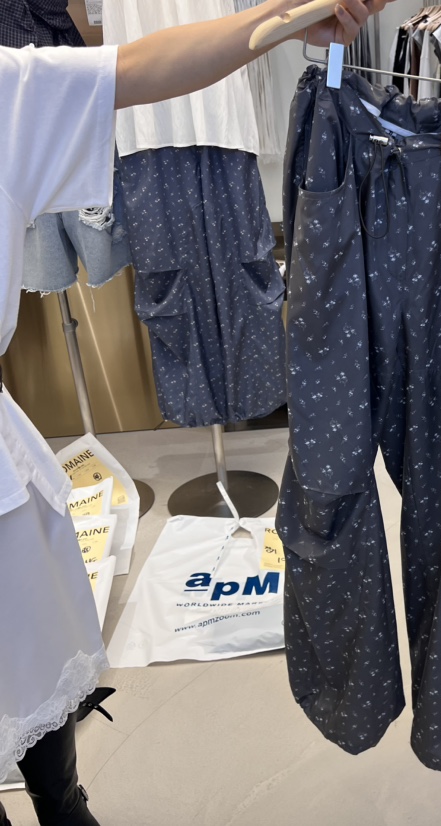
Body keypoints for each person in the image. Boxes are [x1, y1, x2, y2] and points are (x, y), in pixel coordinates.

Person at [0, 1, 385, 823]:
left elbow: (137, 65)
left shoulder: (7, 87)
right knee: (175, 301)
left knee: (27, 650)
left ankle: (63, 803)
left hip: (211, 122)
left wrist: (284, 17)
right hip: (144, 150)